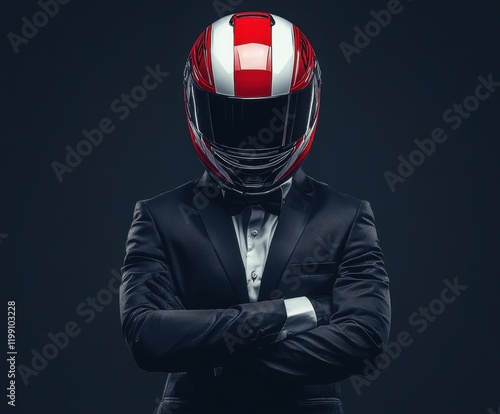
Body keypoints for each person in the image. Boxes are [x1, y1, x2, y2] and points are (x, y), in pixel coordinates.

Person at [119, 11, 391, 414]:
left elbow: (364, 340)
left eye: (272, 118)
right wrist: (301, 311)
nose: (253, 146)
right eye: (233, 121)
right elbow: (147, 337)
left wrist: (214, 353)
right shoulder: (160, 217)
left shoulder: (346, 217)